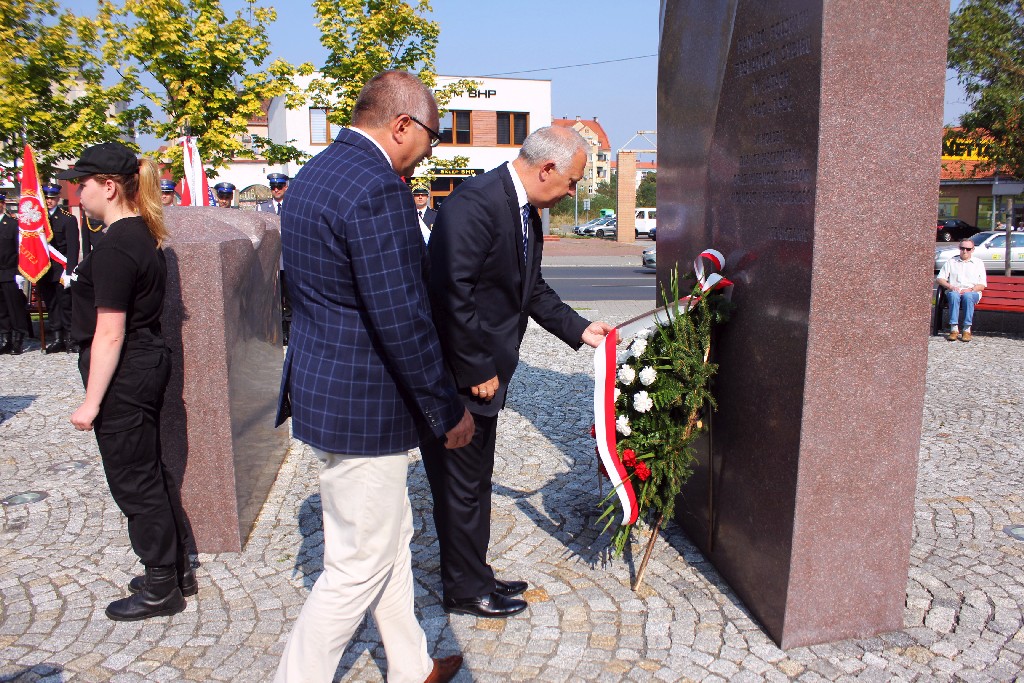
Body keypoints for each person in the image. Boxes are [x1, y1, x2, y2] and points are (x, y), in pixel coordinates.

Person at [273, 70, 472, 683]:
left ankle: (410, 666)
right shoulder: (377, 186)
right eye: (432, 139)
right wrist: (446, 411)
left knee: (390, 539)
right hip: (366, 405)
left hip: (328, 388)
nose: (429, 152)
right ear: (402, 124)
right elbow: (402, 317)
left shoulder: (317, 171)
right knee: (356, 566)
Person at [422, 126, 613, 618]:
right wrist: (474, 366)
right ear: (547, 168)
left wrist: (582, 329)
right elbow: (449, 291)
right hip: (460, 376)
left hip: (485, 374)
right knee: (461, 486)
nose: (572, 192)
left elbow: (531, 290)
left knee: (475, 481)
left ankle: (475, 573)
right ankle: (463, 590)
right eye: (571, 182)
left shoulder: (524, 211)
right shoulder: (476, 204)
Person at [61, 141, 196, 621]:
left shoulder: (118, 244)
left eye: (84, 183)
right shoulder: (141, 234)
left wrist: (91, 402)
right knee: (147, 468)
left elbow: (110, 330)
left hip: (125, 372)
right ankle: (174, 570)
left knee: (132, 479)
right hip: (143, 362)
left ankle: (162, 586)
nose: (78, 193)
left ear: (110, 187)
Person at [37, 183, 80, 353]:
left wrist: (70, 271)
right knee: (51, 304)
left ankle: (70, 338)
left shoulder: (67, 218)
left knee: (66, 305)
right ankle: (57, 338)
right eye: (47, 198)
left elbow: (73, 247)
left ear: (58, 198)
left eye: (53, 198)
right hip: (44, 269)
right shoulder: (38, 220)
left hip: (61, 269)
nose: (49, 201)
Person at [257, 173, 290, 343]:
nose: (276, 190)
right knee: (272, 299)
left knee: (290, 299)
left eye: (279, 186)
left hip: (289, 260)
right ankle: (275, 332)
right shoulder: (263, 208)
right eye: (273, 187)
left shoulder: (293, 205)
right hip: (272, 261)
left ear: (286, 187)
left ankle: (288, 331)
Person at [937, 237, 987, 342]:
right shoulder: (952, 261)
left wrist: (971, 289)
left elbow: (982, 285)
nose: (965, 251)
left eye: (968, 249)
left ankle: (966, 329)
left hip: (972, 292)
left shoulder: (978, 263)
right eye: (962, 248)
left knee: (968, 297)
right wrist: (951, 286)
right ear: (959, 248)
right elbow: (940, 278)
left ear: (972, 250)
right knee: (954, 295)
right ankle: (954, 329)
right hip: (954, 290)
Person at [0, 191, 31, 355]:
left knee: (15, 308)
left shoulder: (12, 224)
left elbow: (21, 250)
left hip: (10, 272)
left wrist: (20, 272)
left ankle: (18, 340)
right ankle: (5, 339)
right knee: (1, 310)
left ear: (2, 204)